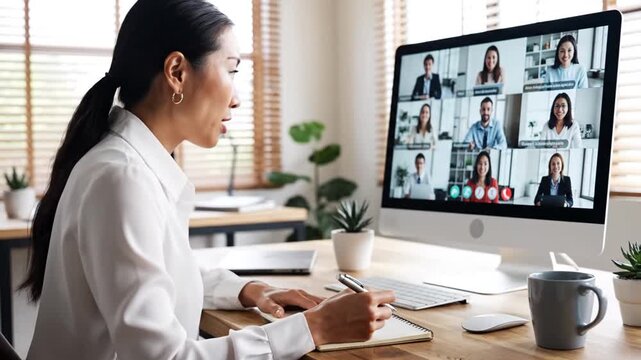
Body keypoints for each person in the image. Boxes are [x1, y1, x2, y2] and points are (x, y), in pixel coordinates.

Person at [22, 1, 395, 359]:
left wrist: (250, 290)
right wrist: (314, 329)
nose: (237, 99)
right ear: (177, 72)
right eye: (231, 70)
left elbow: (159, 274)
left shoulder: (125, 164)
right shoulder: (122, 178)